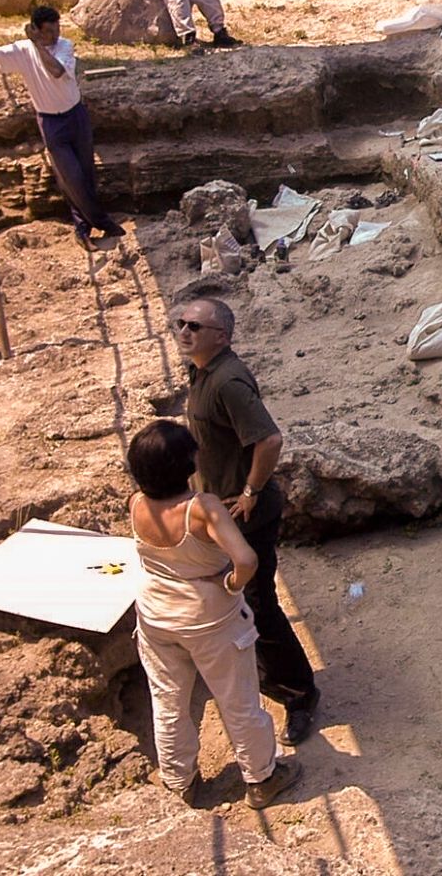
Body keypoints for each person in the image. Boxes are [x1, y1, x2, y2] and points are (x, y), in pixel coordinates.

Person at [124, 420, 301, 810]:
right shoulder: (202, 508)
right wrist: (232, 585)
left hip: (156, 615)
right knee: (238, 701)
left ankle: (179, 783)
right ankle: (262, 777)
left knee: (168, 702)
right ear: (187, 465)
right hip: (210, 620)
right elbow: (246, 560)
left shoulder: (136, 503)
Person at [173, 297, 321, 746]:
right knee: (237, 599)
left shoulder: (228, 381)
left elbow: (270, 440)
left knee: (258, 603)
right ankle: (264, 676)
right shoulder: (202, 372)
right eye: (180, 323)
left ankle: (299, 694)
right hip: (221, 512)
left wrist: (250, 492)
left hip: (245, 514)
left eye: (194, 326)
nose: (184, 332)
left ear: (221, 336)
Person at [0, 7, 127, 251]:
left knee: (86, 172)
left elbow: (56, 71)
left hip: (76, 116)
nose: (54, 35)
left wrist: (38, 44)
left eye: (57, 29)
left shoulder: (64, 46)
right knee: (71, 178)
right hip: (51, 122)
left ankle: (83, 227)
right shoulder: (24, 50)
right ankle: (99, 222)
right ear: (35, 29)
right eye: (48, 31)